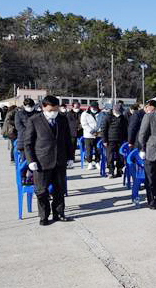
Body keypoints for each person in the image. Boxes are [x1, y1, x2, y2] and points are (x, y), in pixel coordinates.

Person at [24, 96, 73, 226]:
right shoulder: (34, 120)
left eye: (56, 109)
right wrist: (31, 160)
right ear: (43, 107)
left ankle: (59, 213)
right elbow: (28, 143)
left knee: (59, 189)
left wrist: (70, 157)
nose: (54, 112)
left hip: (59, 160)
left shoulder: (62, 119)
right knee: (41, 191)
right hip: (41, 161)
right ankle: (44, 215)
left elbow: (68, 139)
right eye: (51, 109)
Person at [102, 104, 128, 178]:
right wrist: (104, 140)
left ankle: (119, 170)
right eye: (117, 111)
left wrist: (126, 139)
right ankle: (111, 171)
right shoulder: (107, 117)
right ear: (113, 110)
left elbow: (125, 129)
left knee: (120, 156)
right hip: (110, 140)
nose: (119, 112)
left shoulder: (123, 117)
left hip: (121, 139)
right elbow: (104, 129)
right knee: (110, 156)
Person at [80, 102, 101, 170]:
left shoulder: (101, 113)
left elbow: (102, 123)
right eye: (93, 107)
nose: (94, 108)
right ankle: (89, 163)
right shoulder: (85, 114)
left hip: (98, 134)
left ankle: (97, 162)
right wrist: (92, 132)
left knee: (98, 149)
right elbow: (84, 124)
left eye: (95, 107)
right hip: (88, 135)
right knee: (89, 150)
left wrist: (98, 131)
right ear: (90, 107)